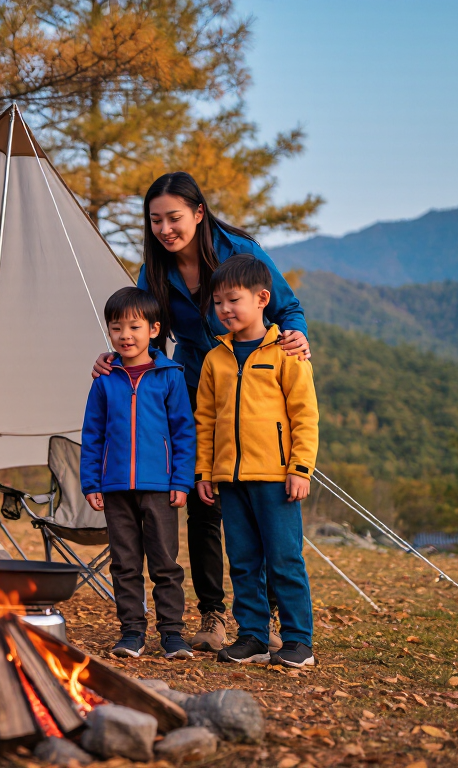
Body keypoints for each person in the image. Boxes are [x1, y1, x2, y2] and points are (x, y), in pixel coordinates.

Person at [93, 172, 310, 653]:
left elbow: (287, 307)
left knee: (261, 507)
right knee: (203, 501)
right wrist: (115, 356)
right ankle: (215, 615)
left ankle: (268, 618)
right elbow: (140, 325)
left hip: (253, 382)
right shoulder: (155, 270)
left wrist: (297, 336)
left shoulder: (239, 252)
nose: (165, 228)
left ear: (198, 212)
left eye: (174, 217)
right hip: (195, 382)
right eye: (155, 220)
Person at [194, 254, 319, 668]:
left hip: (277, 478)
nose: (225, 310)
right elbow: (206, 420)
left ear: (263, 298)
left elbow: (305, 414)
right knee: (244, 561)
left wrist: (300, 469)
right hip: (230, 479)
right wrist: (205, 471)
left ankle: (299, 641)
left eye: (233, 300)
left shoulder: (287, 352)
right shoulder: (215, 359)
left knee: (284, 559)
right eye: (218, 303)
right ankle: (252, 637)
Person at [80, 287, 198, 660]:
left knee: (165, 563)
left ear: (154, 329)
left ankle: (172, 635)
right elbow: (92, 433)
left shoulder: (169, 376)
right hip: (115, 487)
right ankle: (131, 632)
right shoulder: (105, 379)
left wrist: (181, 481)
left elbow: (183, 432)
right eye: (117, 328)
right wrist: (91, 481)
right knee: (125, 563)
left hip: (160, 487)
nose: (125, 335)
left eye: (134, 326)